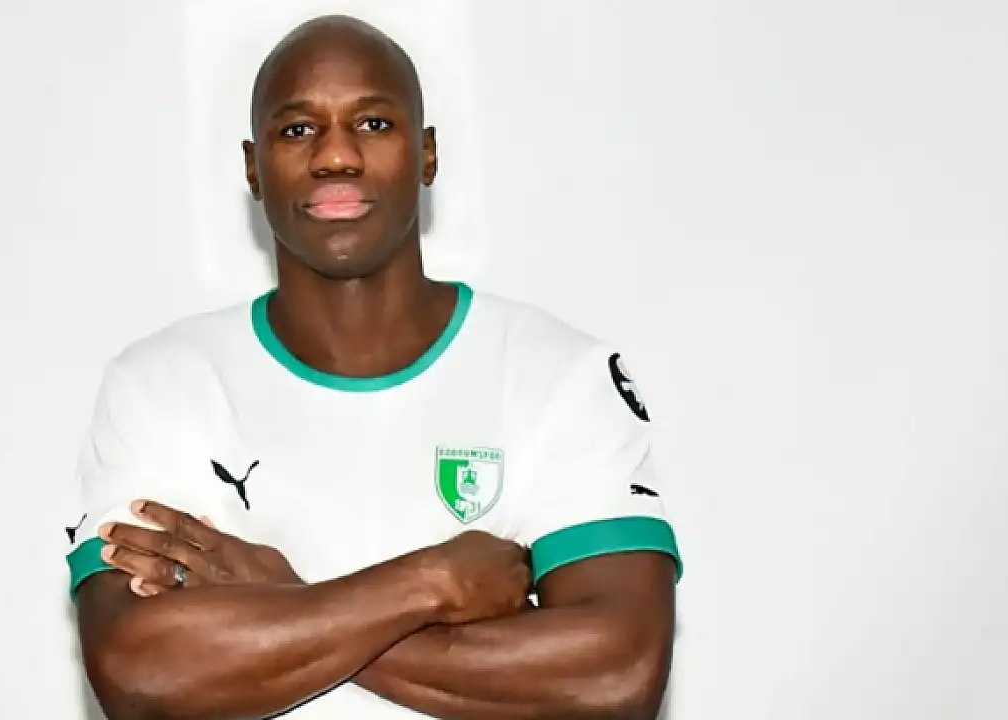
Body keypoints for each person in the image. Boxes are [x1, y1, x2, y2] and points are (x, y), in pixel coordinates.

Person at [65, 13, 682, 720]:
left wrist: (284, 603)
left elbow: (616, 677)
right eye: (298, 129)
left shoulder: (560, 376)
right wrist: (430, 583)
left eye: (373, 124)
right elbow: (139, 675)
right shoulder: (159, 386)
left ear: (427, 154)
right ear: (252, 167)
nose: (336, 156)